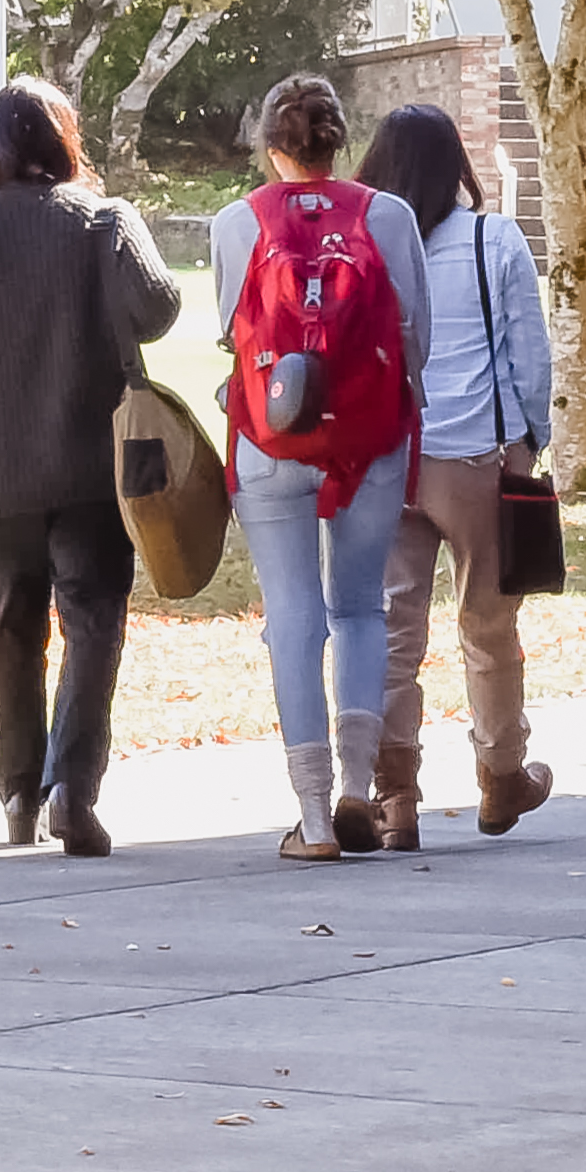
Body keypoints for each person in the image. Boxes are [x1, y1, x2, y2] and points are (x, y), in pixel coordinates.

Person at [0, 81, 185, 856]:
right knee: (92, 620)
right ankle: (72, 788)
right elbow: (157, 308)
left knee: (10, 626)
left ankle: (16, 789)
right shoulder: (102, 220)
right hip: (92, 465)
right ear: (64, 140)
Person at [215, 71, 430, 860]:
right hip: (370, 438)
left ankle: (309, 817)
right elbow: (416, 339)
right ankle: (355, 786)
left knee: (292, 618)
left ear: (271, 145)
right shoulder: (389, 216)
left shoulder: (236, 222)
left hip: (270, 444)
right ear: (339, 138)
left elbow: (228, 332)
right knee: (361, 608)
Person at [357, 100, 556, 840]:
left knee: (389, 628)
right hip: (474, 454)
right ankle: (500, 774)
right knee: (487, 621)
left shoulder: (369, 241)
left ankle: (395, 794)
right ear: (456, 166)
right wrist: (528, 439)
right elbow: (528, 353)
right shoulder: (492, 239)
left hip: (389, 454)